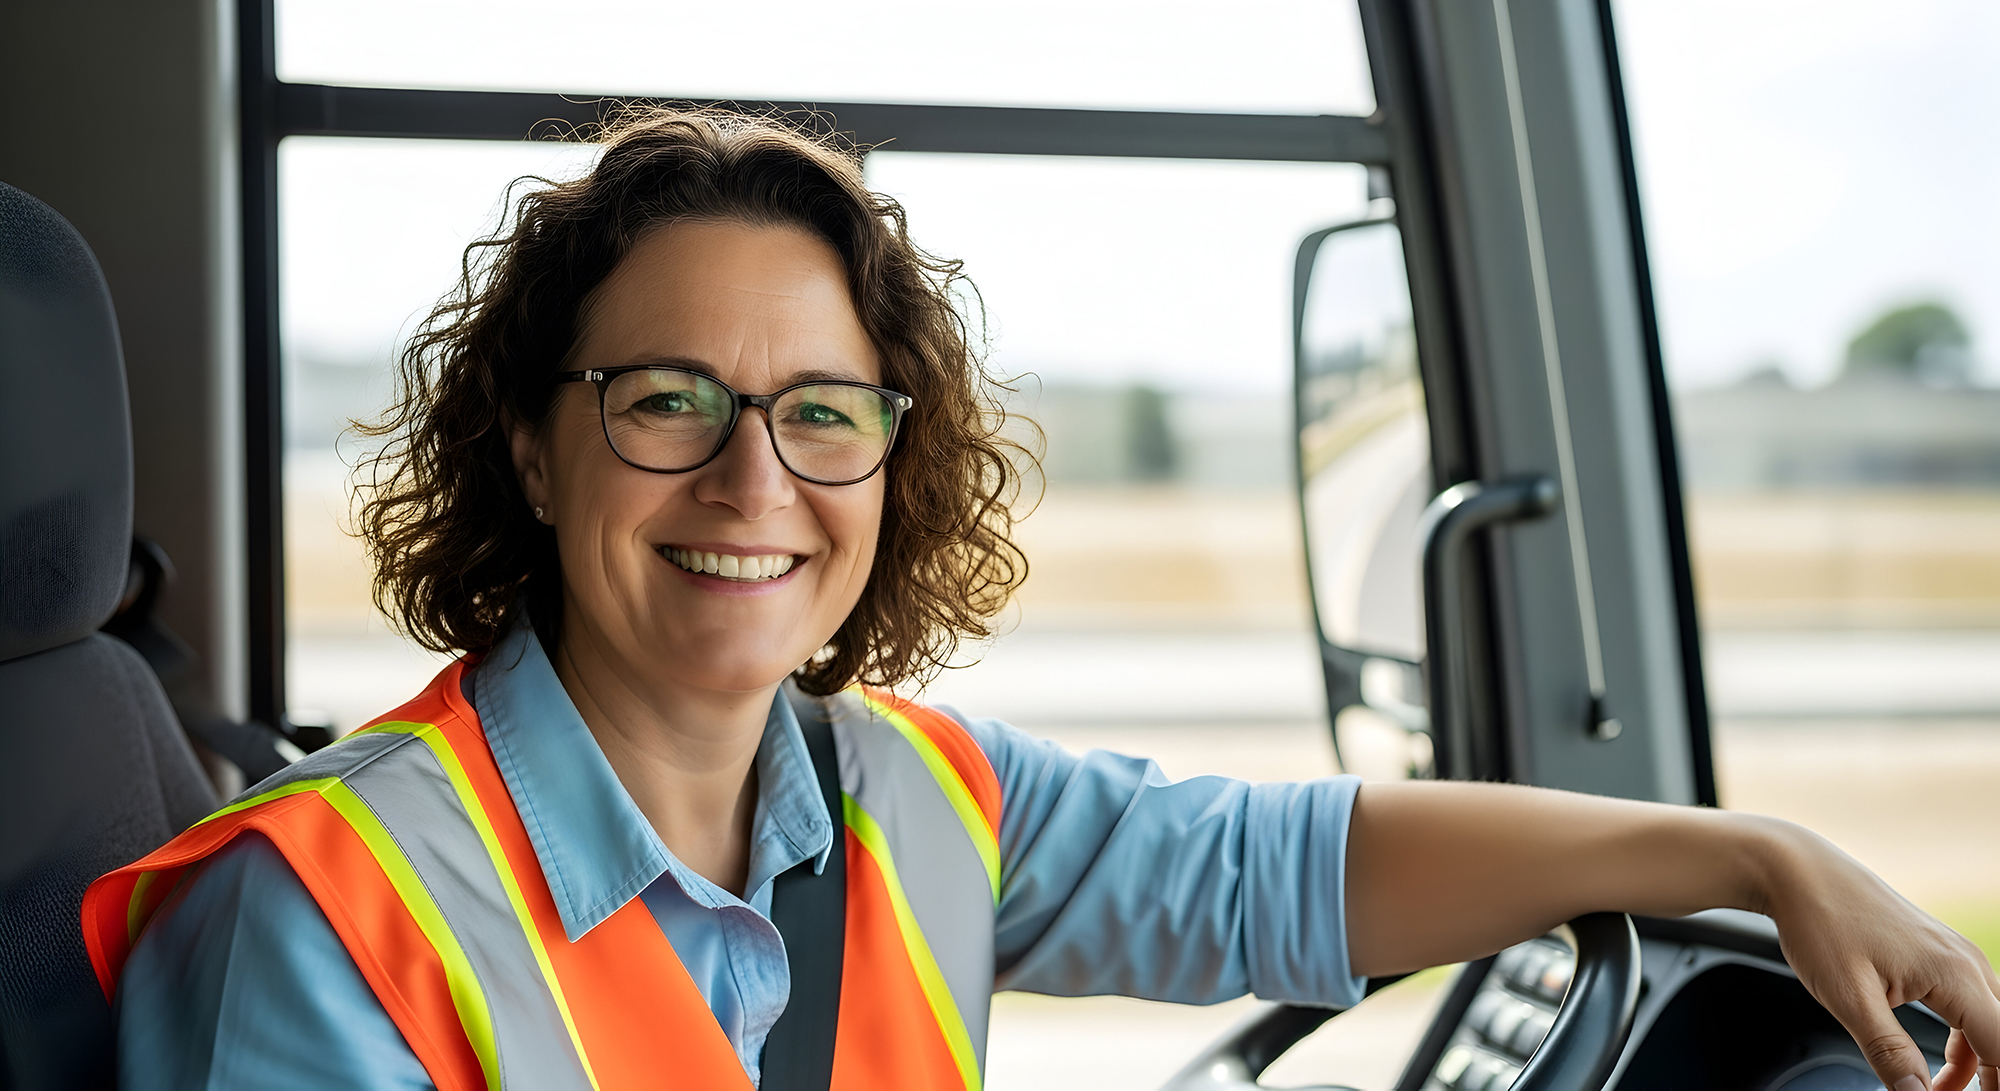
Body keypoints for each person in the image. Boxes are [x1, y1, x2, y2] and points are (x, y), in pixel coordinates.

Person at [87, 109, 1997, 1091]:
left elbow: (1286, 872)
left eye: (821, 411)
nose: (754, 481)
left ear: (885, 464)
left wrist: (1745, 858)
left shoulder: (912, 806)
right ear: (529, 441)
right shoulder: (314, 920)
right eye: (667, 400)